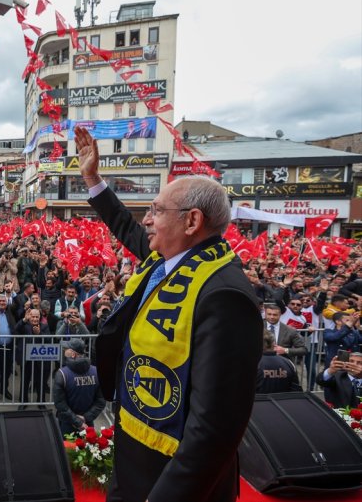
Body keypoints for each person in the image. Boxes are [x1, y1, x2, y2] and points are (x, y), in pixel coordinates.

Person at [75, 126, 263, 502]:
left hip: (171, 475)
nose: (146, 220)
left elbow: (215, 427)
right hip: (135, 446)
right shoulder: (169, 259)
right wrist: (93, 179)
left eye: (157, 211)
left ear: (191, 222)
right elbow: (126, 226)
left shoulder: (224, 294)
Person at [52, 338, 106, 436]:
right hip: (87, 423)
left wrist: (78, 421)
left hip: (67, 424)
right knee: (86, 450)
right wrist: (84, 419)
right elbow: (101, 401)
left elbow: (60, 404)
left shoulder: (62, 374)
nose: (64, 350)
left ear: (73, 354)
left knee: (66, 450)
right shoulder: (96, 372)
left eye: (67, 349)